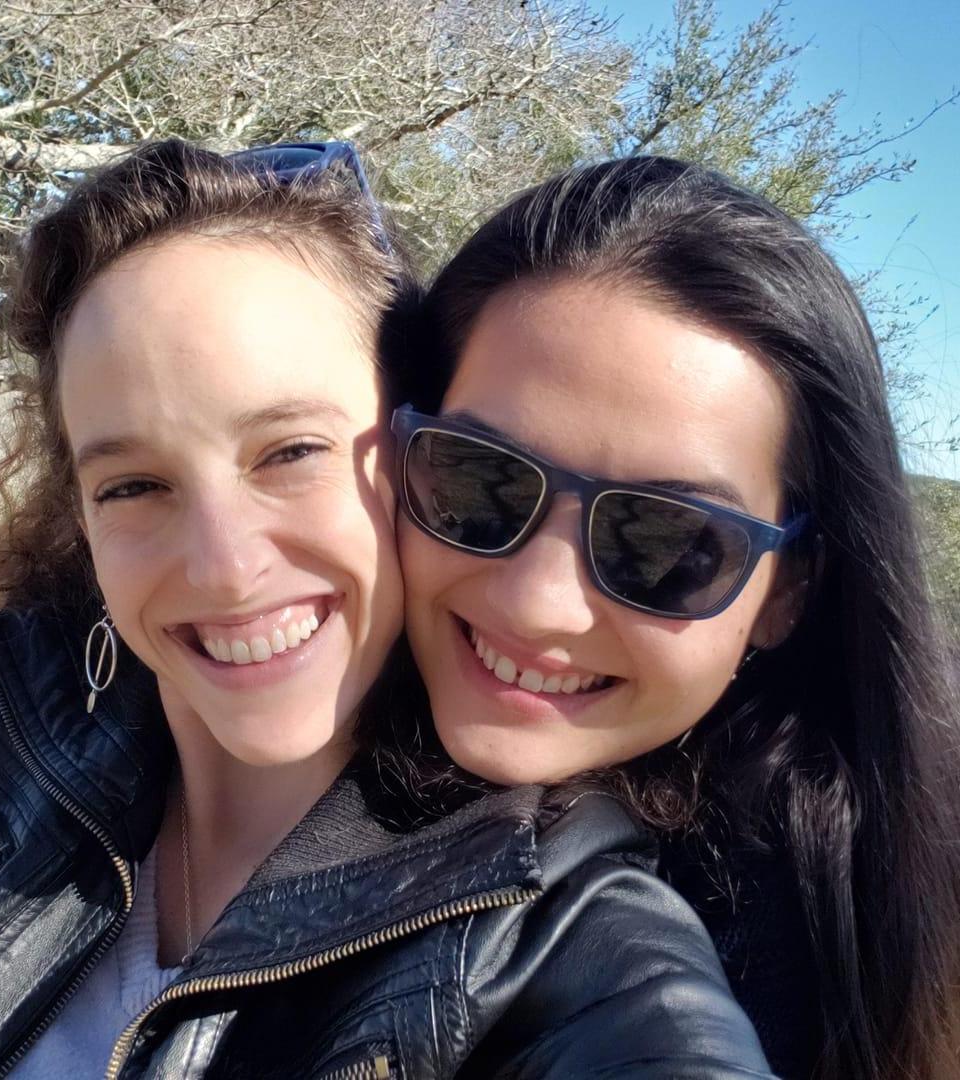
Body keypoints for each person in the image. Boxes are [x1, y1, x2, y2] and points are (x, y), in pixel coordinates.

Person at [0, 139, 773, 1078]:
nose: (225, 570)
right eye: (133, 485)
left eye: (291, 453)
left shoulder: (557, 937)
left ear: (419, 456)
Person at [391, 156, 960, 1080]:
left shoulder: (812, 970)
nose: (539, 600)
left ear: (787, 592)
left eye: (667, 544)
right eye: (479, 480)